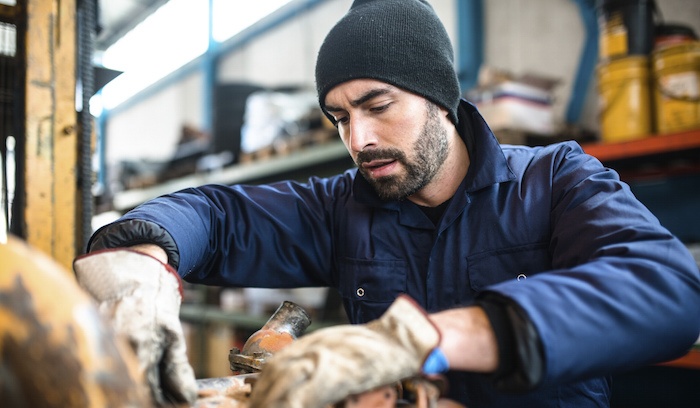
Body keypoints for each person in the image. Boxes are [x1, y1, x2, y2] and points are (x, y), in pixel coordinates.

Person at [73, 0, 700, 407]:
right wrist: (143, 258)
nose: (359, 140)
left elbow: (670, 289)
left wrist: (426, 338)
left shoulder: (554, 180)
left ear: (439, 100)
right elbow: (220, 216)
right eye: (340, 117)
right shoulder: (344, 207)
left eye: (378, 106)